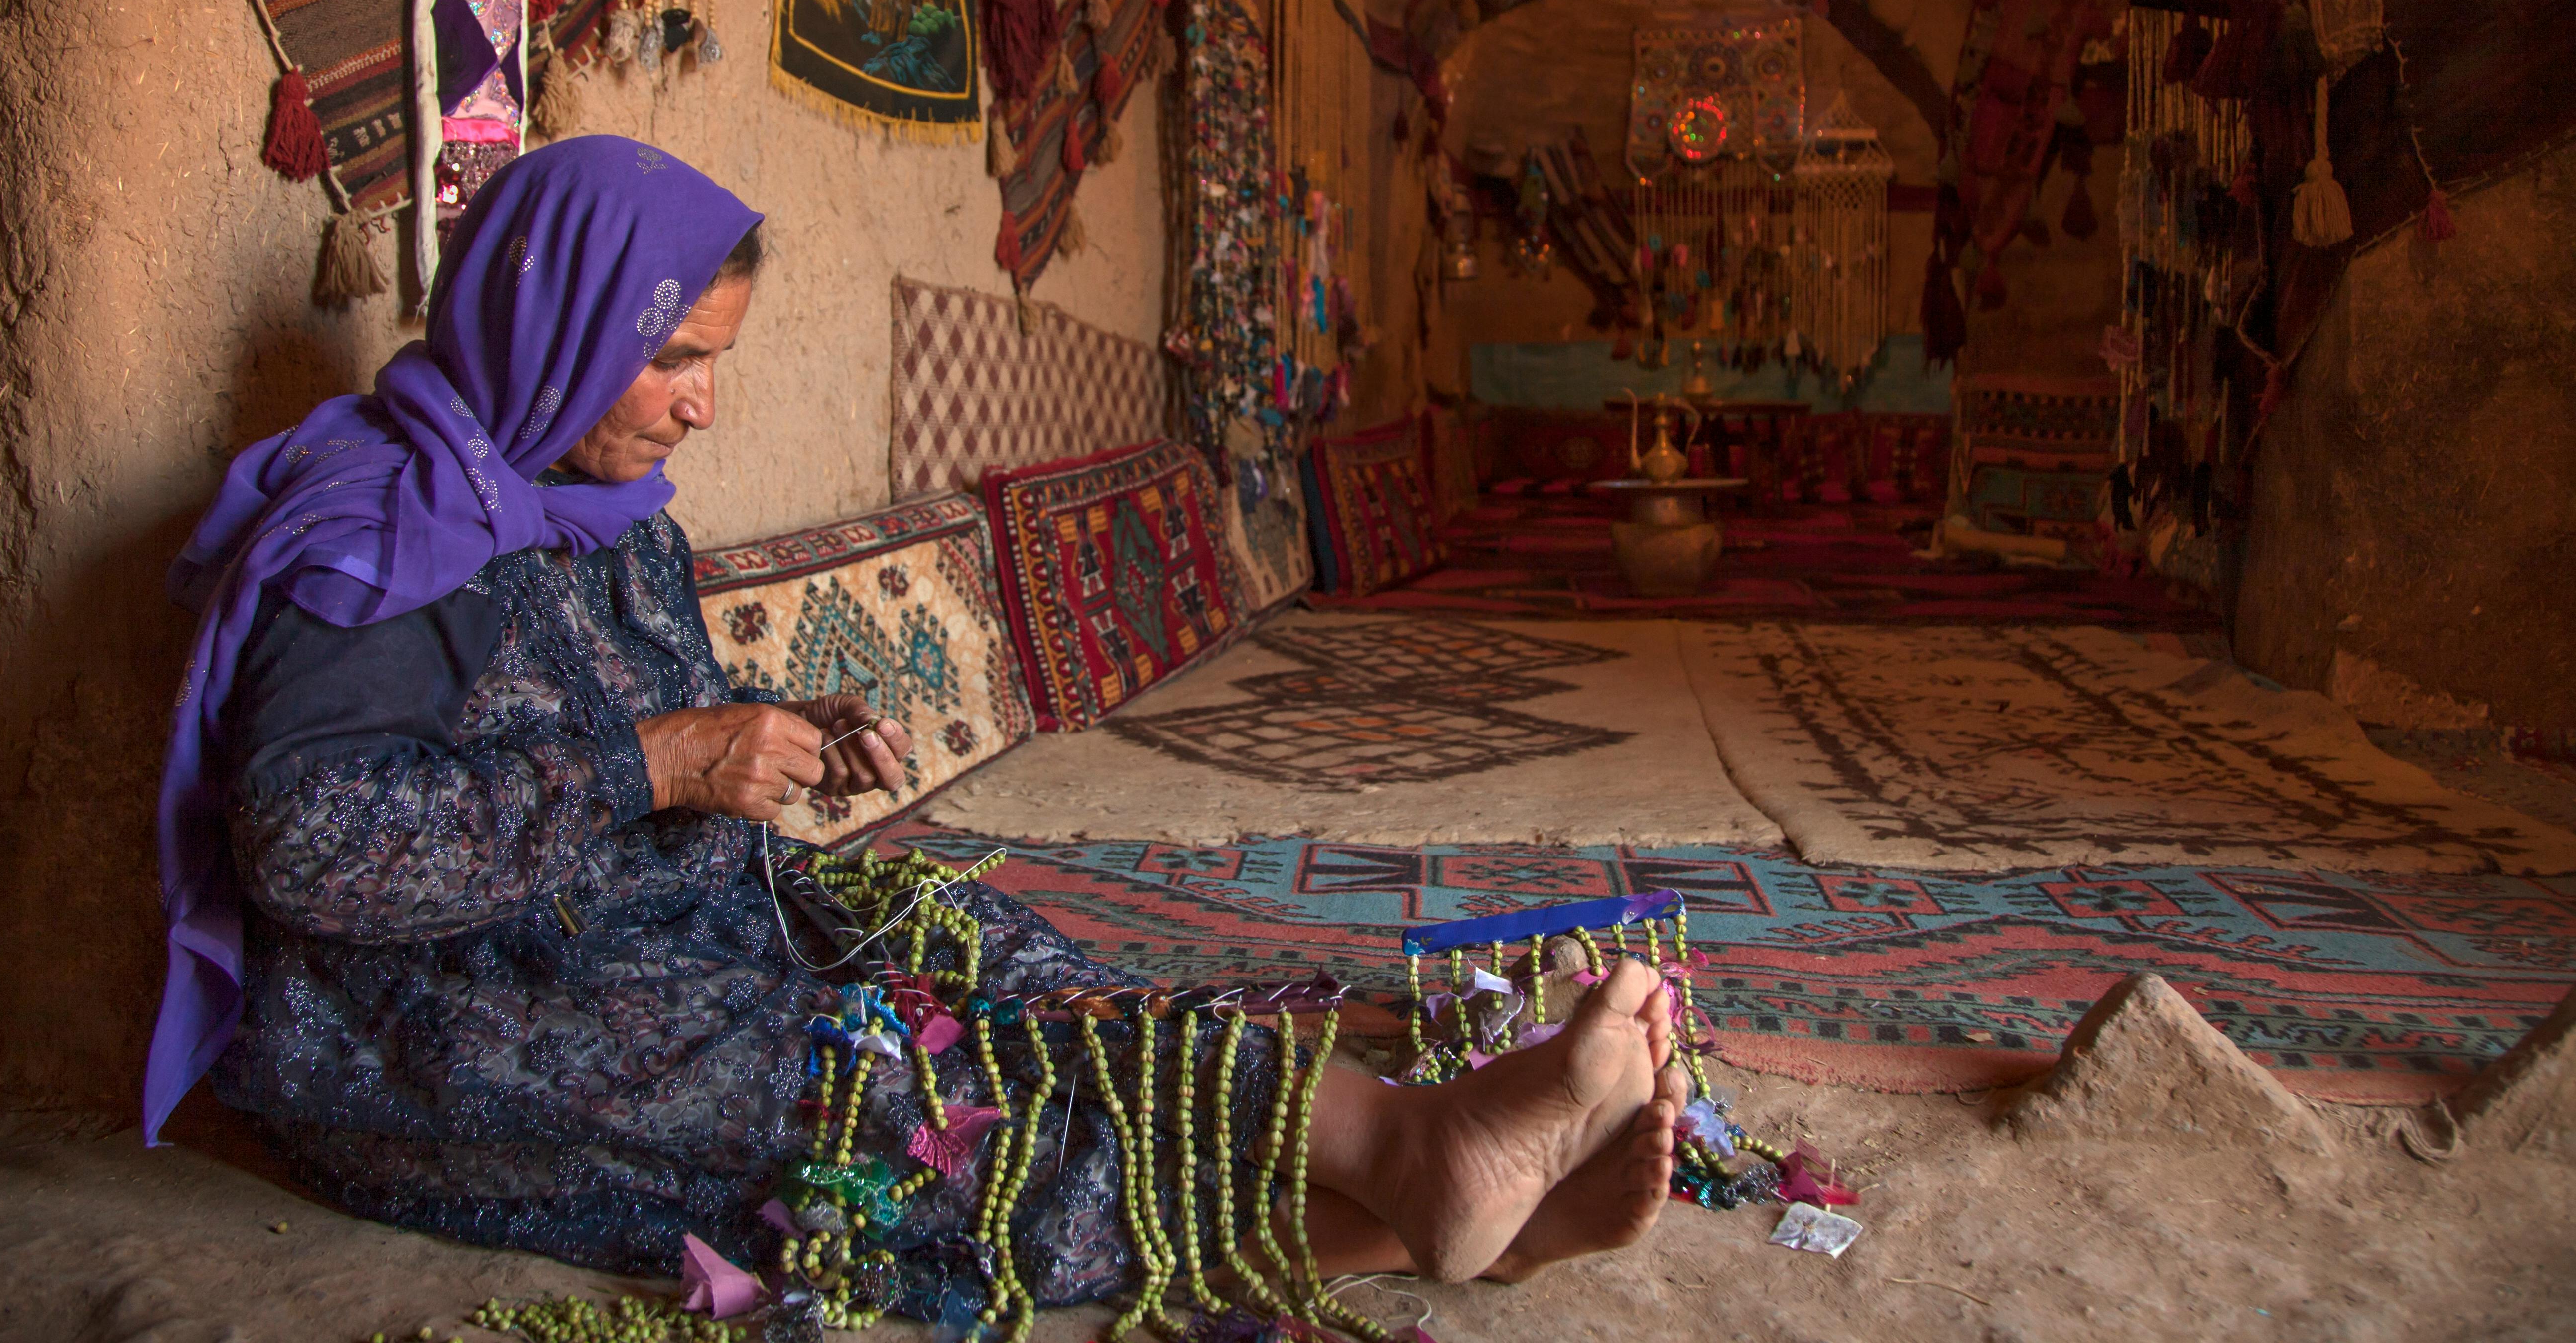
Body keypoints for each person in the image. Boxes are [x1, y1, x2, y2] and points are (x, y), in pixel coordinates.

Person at [144, 137, 1683, 1329]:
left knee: (984, 959)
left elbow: (627, 729)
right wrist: (668, 762)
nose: (702, 410)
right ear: (551, 323)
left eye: (716, 365)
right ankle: (1411, 1184)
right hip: (448, 1032)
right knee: (888, 1126)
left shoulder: (599, 507)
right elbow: (311, 847)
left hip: (647, 935)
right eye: (675, 359)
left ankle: (1410, 1166)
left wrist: (780, 735)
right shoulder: (373, 534)